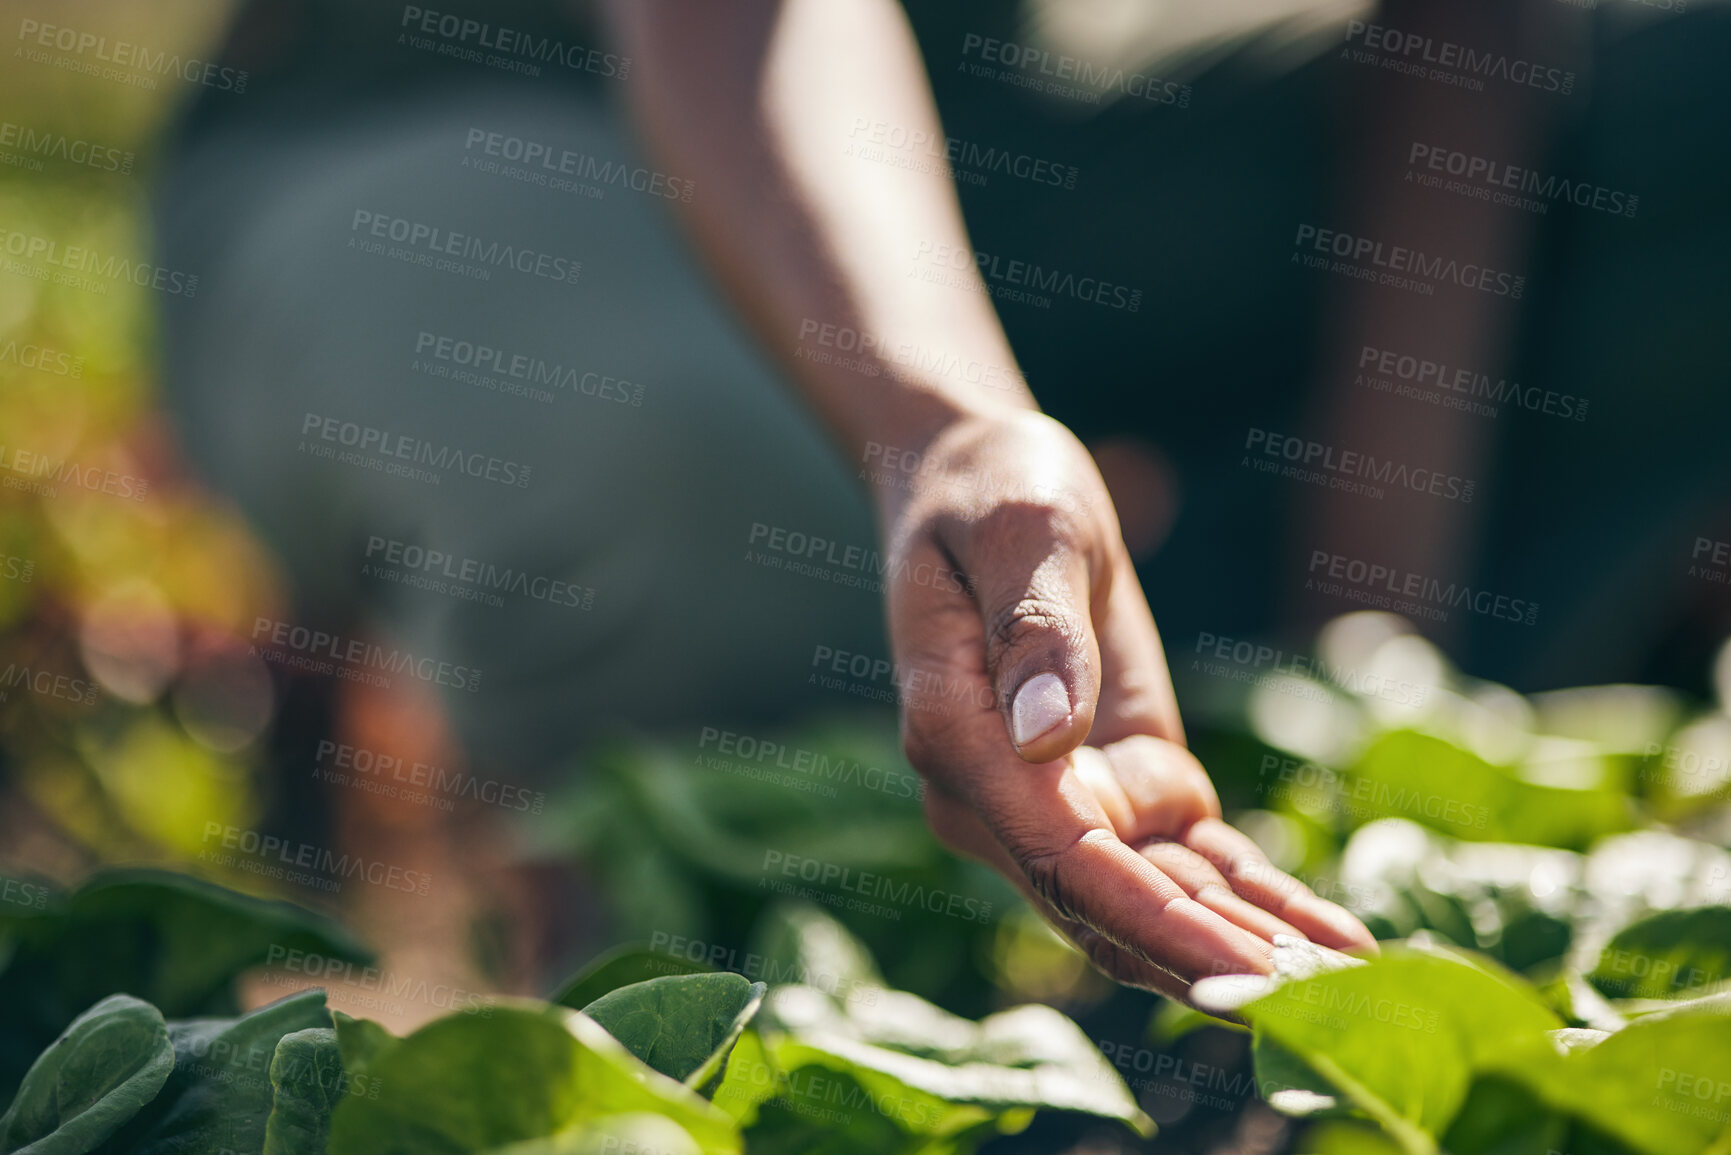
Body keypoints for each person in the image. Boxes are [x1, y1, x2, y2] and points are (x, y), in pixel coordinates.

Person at [167, 0, 1731, 1004]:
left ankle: (1145, 712)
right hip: (459, 101)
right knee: (676, 460)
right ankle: (709, 953)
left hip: (993, 128)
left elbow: (1466, 40)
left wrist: (1375, 656)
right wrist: (951, 427)